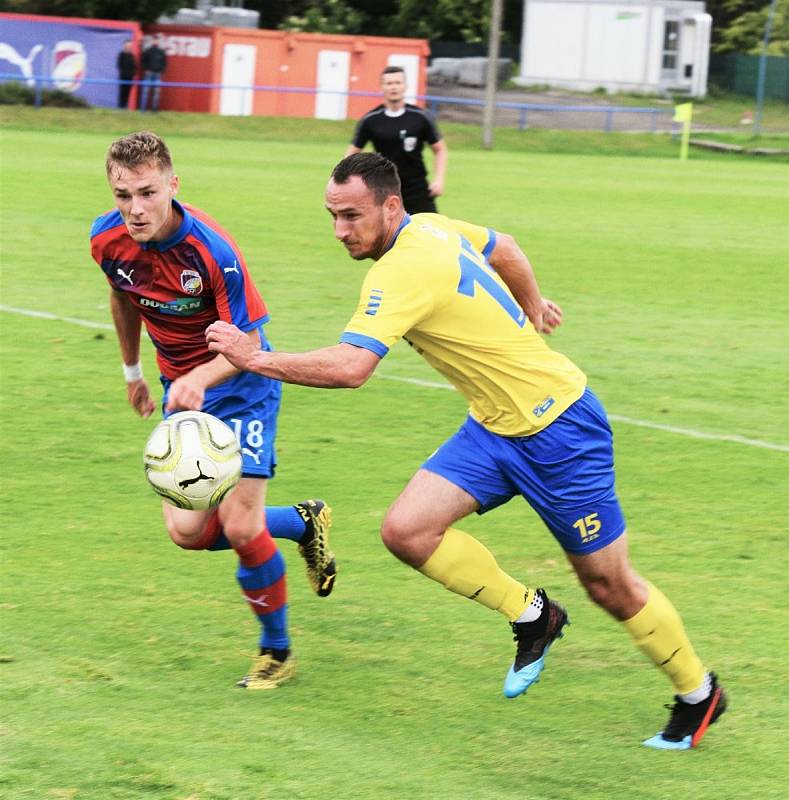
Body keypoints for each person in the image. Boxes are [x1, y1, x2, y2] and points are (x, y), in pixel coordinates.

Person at [206, 152, 728, 747]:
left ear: (390, 206)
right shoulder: (432, 224)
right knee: (407, 530)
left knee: (609, 584)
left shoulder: (400, 268)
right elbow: (505, 246)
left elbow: (352, 368)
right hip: (493, 427)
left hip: (561, 431)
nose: (340, 231)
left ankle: (698, 692)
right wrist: (531, 305)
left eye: (351, 216)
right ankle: (533, 614)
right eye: (331, 216)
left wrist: (255, 359)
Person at [90, 131, 337, 690]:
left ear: (173, 185)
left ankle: (277, 651)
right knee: (186, 531)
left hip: (241, 384)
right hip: (182, 389)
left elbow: (249, 343)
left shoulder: (212, 252)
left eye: (147, 193)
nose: (134, 208)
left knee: (243, 525)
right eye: (122, 194)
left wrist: (201, 376)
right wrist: (132, 372)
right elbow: (123, 298)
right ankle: (302, 522)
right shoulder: (106, 240)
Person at [346, 65, 447, 214]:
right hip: (384, 190)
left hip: (417, 189)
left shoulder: (420, 117)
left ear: (405, 86)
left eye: (398, 83)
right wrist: (353, 183)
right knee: (385, 236)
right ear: (382, 87)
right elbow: (350, 155)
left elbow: (440, 149)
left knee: (430, 233)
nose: (394, 87)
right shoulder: (371, 120)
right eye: (389, 83)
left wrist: (439, 179)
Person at [139, 34, 167, 112]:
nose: (156, 41)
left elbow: (165, 63)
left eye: (157, 40)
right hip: (149, 74)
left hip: (157, 74)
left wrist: (162, 71)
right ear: (152, 41)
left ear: (159, 41)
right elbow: (142, 61)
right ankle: (143, 109)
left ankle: (154, 110)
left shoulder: (161, 52)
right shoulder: (148, 51)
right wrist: (146, 69)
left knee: (156, 93)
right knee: (145, 91)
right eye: (154, 39)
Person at [116, 40, 136, 110]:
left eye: (130, 45)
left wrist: (133, 73)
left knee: (127, 94)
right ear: (124, 46)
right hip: (123, 77)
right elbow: (119, 65)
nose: (129, 47)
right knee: (122, 93)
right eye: (127, 45)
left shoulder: (132, 55)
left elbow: (134, 66)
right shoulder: (121, 55)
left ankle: (125, 107)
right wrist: (124, 73)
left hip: (130, 78)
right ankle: (120, 107)